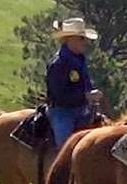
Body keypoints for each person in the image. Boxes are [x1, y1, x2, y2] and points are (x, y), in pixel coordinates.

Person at [44, 18, 106, 150]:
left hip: (83, 110)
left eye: (84, 39)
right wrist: (87, 97)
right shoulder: (58, 64)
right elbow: (58, 96)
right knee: (65, 148)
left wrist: (90, 95)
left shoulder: (79, 60)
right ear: (68, 39)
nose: (85, 42)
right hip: (62, 112)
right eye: (81, 39)